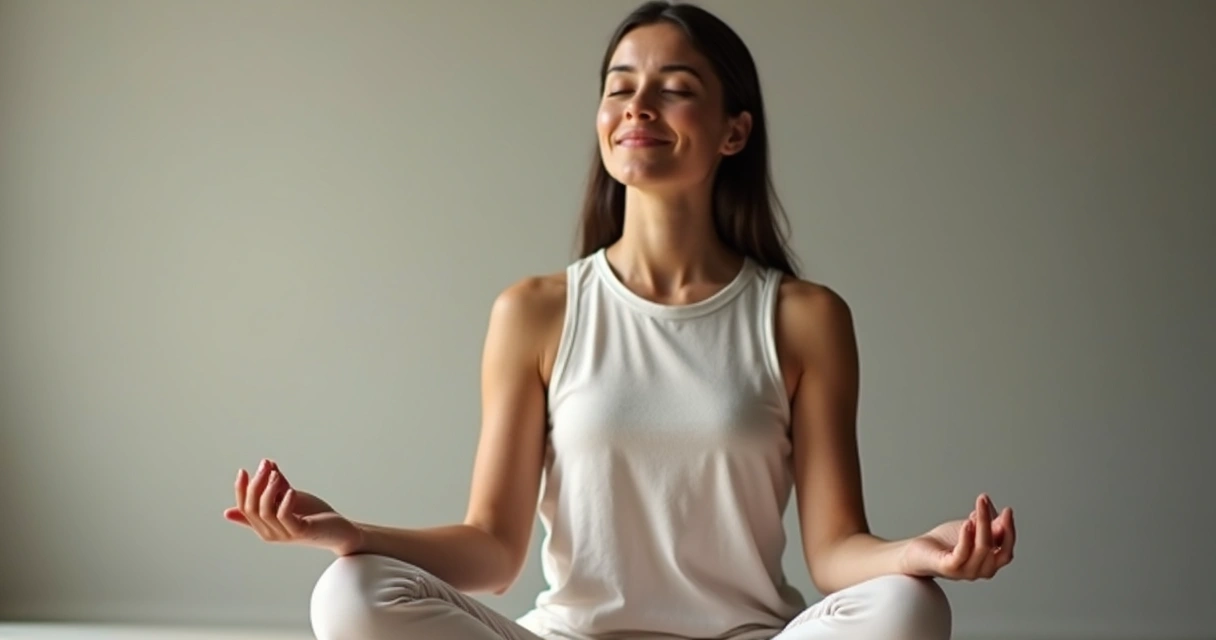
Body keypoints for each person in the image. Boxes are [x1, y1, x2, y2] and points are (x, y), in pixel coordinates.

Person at [223, 2, 1016, 638]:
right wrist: (347, 532)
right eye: (618, 85)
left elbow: (836, 548)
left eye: (674, 86)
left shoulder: (804, 318)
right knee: (351, 592)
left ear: (734, 130)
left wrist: (919, 555)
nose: (637, 104)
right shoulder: (535, 311)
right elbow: (494, 550)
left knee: (911, 608)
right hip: (573, 637)